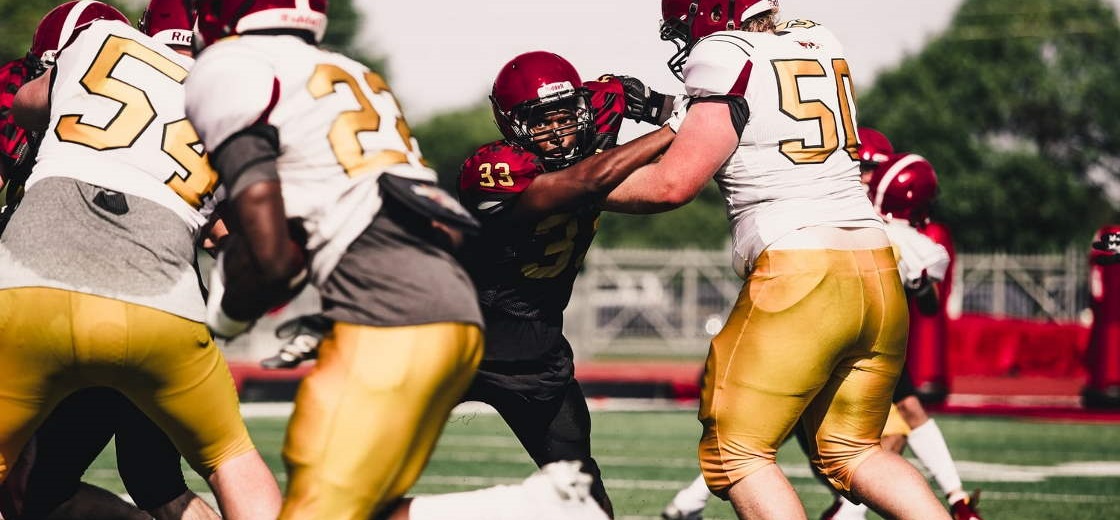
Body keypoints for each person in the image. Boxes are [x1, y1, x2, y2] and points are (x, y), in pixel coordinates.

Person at [184, 2, 610, 519]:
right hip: (452, 306)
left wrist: (229, 306)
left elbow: (276, 253)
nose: (557, 130)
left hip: (404, 324)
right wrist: (675, 122)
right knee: (336, 506)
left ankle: (518, 508)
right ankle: (528, 505)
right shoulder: (358, 75)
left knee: (327, 507)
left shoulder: (230, 70)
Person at [605, 1, 951, 518]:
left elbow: (671, 184)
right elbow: (761, 115)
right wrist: (660, 107)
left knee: (736, 454)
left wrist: (571, 189)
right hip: (876, 267)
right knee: (855, 451)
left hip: (803, 271)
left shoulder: (724, 51)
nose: (683, 39)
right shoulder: (817, 38)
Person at [0, 2, 281, 519]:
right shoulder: (231, 103)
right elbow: (237, 240)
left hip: (34, 284)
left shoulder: (97, 39)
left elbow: (23, 103)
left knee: (30, 490)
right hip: (162, 304)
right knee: (216, 464)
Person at [457, 50, 677, 518]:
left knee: (580, 486)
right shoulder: (494, 169)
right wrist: (674, 126)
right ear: (512, 125)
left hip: (535, 347)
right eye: (540, 123)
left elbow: (672, 109)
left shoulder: (602, 102)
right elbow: (583, 182)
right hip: (454, 338)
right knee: (367, 458)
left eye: (566, 117)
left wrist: (678, 108)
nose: (558, 133)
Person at [819, 151, 981, 520]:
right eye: (863, 168)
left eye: (871, 170)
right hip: (845, 341)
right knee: (760, 439)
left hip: (854, 339)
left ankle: (955, 501)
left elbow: (926, 300)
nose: (865, 177)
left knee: (902, 421)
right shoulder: (898, 236)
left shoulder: (855, 221)